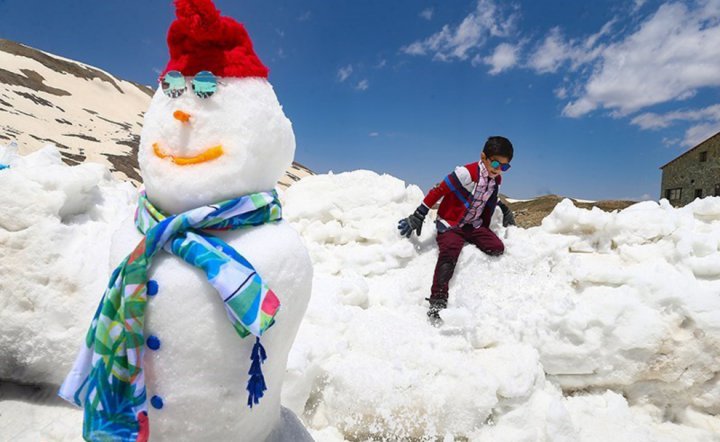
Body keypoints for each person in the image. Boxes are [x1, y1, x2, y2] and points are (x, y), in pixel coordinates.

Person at [398, 136, 514, 325]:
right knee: (449, 253)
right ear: (483, 157)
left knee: (497, 247)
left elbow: (487, 196)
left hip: (474, 225)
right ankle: (437, 301)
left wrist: (506, 209)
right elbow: (438, 190)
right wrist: (418, 215)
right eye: (495, 162)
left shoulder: (496, 180)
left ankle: (467, 240)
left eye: (505, 166)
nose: (498, 169)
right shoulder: (465, 173)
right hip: (451, 224)